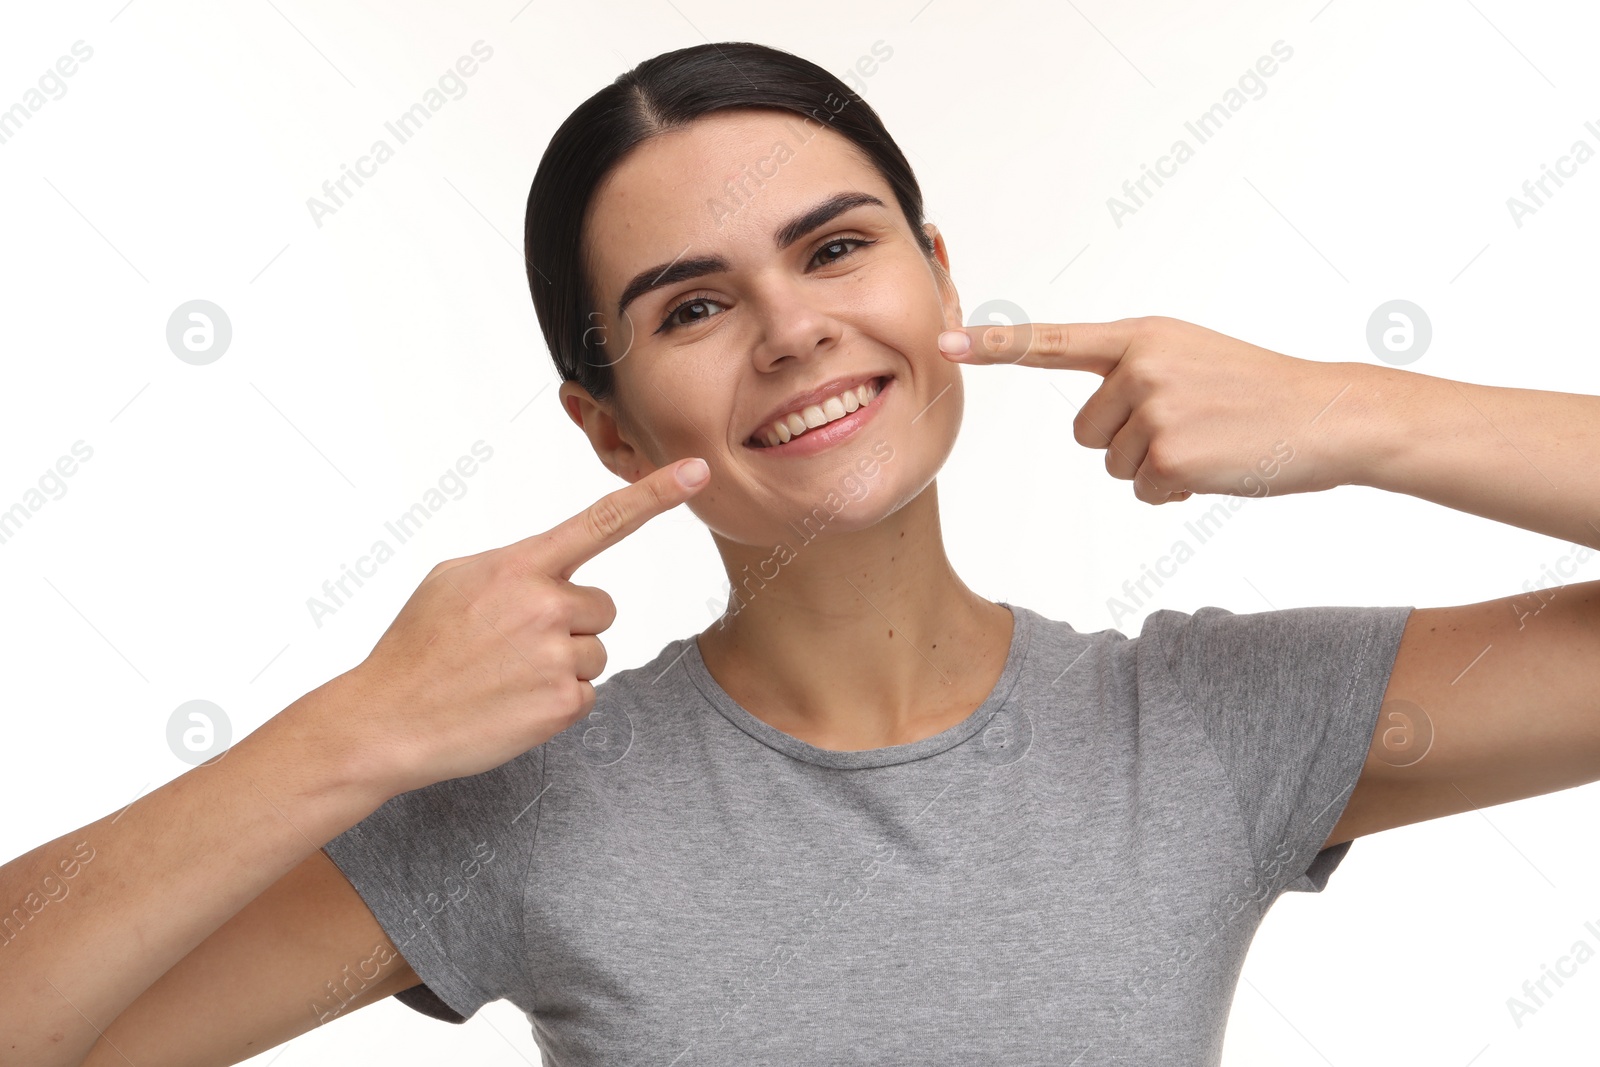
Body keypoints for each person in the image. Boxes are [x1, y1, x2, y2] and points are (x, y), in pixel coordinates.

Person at [5, 39, 1598, 1067]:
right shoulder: (527, 810)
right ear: (611, 427)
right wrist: (350, 732)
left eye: (837, 247)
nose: (795, 328)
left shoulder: (1210, 729)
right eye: (691, 307)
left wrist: (1366, 415)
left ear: (934, 277)